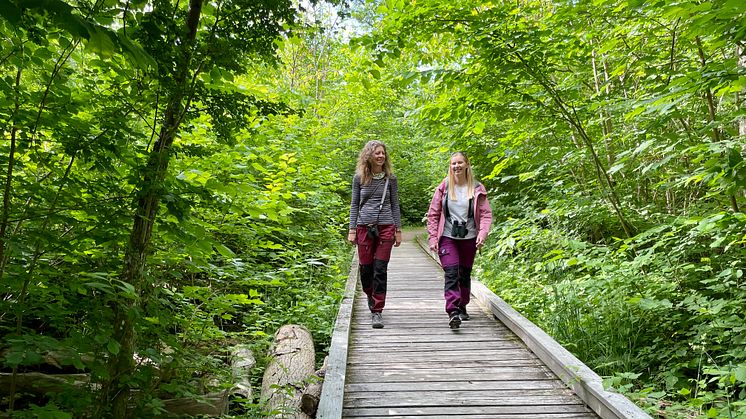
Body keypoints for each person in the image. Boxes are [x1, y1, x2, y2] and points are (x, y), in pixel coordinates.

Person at [426, 152, 492, 329]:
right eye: (453, 163)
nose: (457, 166)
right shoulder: (445, 187)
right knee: (451, 273)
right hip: (447, 236)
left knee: (464, 273)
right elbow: (433, 214)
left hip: (469, 237)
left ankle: (462, 305)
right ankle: (453, 311)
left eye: (460, 163)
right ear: (450, 166)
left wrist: (482, 234)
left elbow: (486, 214)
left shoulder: (477, 188)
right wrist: (433, 237)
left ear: (467, 165)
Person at [348, 140, 403, 329]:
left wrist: (398, 230)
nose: (381, 156)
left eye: (383, 153)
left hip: (386, 226)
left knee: (380, 268)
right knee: (366, 269)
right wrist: (352, 229)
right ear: (368, 155)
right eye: (377, 153)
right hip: (364, 226)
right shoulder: (359, 178)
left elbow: (395, 205)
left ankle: (377, 310)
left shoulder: (391, 178)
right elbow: (354, 204)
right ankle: (371, 296)